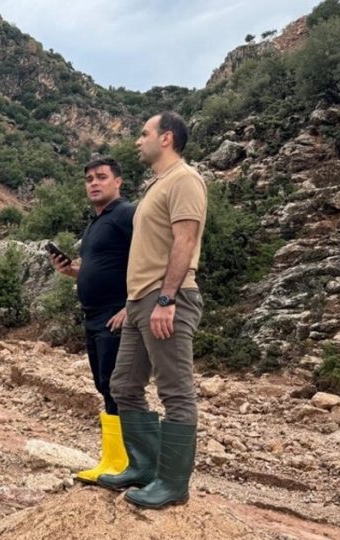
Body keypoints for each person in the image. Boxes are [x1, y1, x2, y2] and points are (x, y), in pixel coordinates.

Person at [98, 112, 207, 509]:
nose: (136, 140)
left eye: (143, 133)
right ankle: (144, 468)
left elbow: (186, 239)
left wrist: (166, 299)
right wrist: (135, 305)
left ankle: (173, 485)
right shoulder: (157, 186)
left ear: (166, 138)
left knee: (175, 392)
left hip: (167, 300)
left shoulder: (185, 180)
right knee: (124, 384)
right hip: (140, 303)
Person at [49, 157, 134, 484]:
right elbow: (102, 266)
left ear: (118, 182)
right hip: (93, 316)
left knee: (120, 387)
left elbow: (156, 253)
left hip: (116, 314)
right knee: (104, 385)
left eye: (101, 177)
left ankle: (129, 464)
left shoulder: (126, 213)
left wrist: (132, 306)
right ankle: (112, 460)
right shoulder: (97, 222)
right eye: (89, 179)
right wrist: (71, 270)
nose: (93, 183)